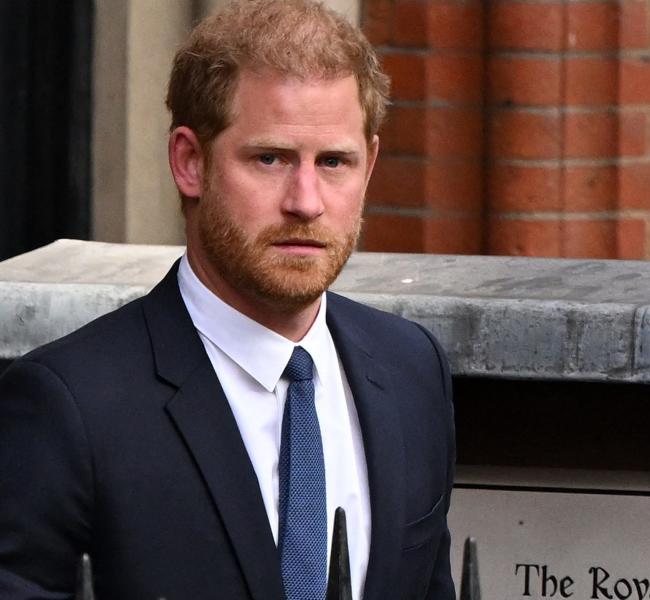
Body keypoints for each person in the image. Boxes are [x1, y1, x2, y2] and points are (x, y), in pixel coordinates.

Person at [0, 1, 455, 598]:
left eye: (335, 162)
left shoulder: (412, 368)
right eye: (270, 159)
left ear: (369, 166)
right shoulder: (67, 408)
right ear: (190, 162)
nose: (307, 201)